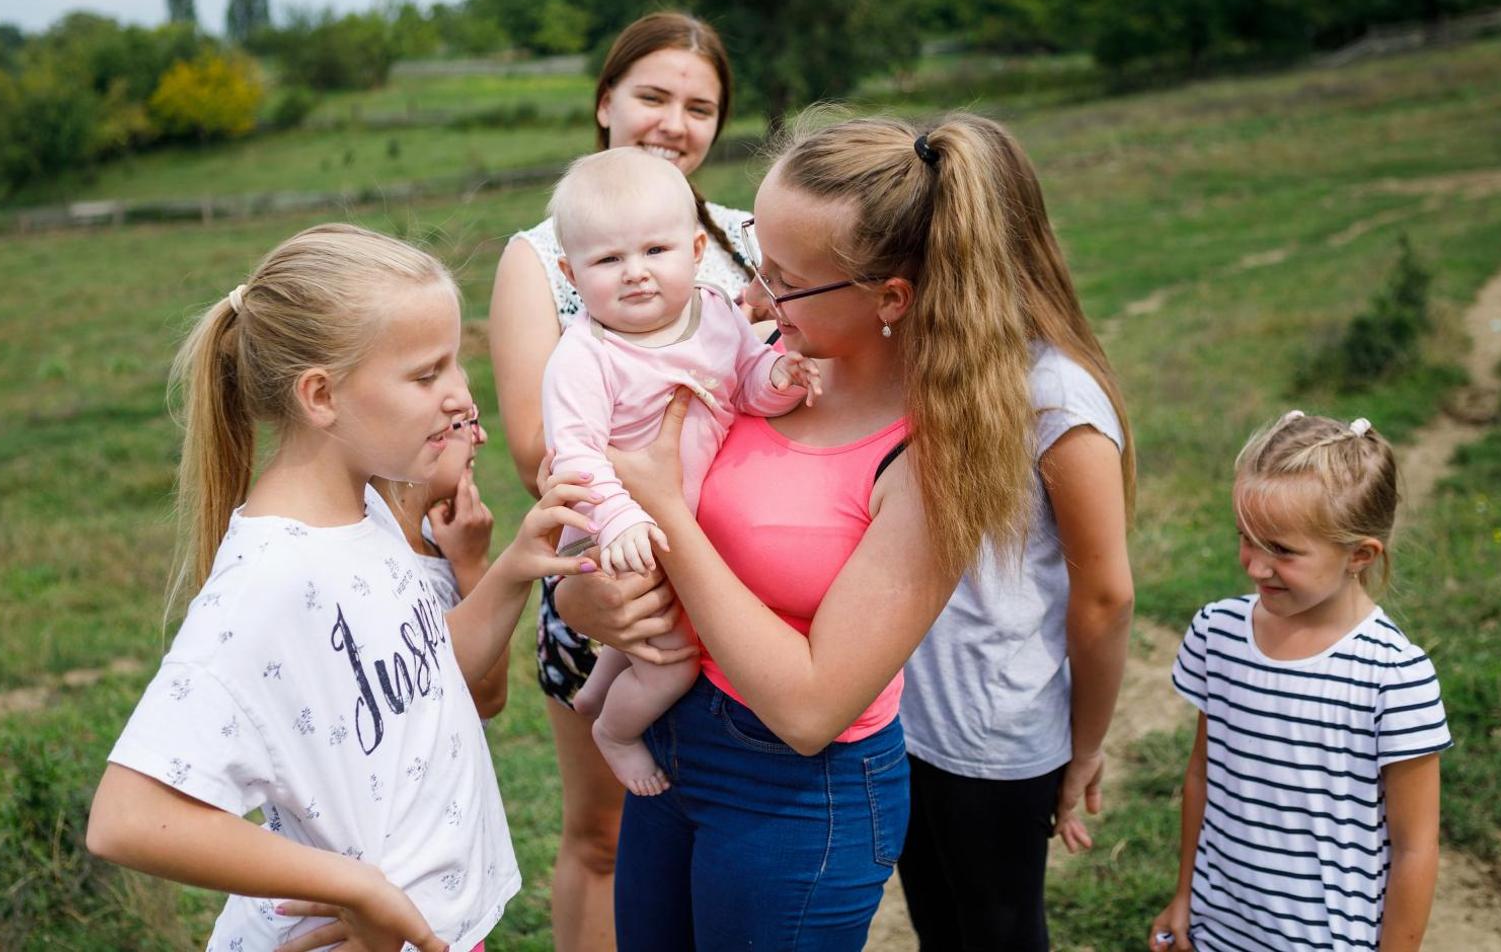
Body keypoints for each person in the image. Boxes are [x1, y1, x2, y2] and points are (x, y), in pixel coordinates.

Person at [587, 112, 1057, 950]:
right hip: (671, 745)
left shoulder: (933, 462)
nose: (752, 297)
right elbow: (610, 526)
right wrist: (596, 597)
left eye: (786, 280)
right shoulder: (759, 358)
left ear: (890, 297)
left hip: (796, 797)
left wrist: (664, 515)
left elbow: (810, 708)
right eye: (753, 260)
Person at [84, 224, 600, 952]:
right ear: (322, 396)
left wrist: (514, 563)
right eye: (427, 375)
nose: (459, 398)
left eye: (456, 364)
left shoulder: (368, 510)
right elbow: (127, 817)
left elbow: (428, 673)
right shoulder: (269, 578)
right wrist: (357, 887)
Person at [489, 10, 754, 951]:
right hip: (613, 574)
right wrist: (622, 544)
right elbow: (536, 450)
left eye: (700, 106)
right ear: (605, 103)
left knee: (725, 823)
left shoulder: (748, 244)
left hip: (749, 577)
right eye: (652, 95)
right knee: (605, 835)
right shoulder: (542, 256)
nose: (674, 123)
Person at [895, 152, 1137, 946]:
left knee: (989, 930)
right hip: (905, 715)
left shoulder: (1060, 396)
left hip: (994, 738)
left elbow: (1106, 598)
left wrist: (1085, 744)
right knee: (949, 925)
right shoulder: (915, 366)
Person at [541, 147, 817, 796]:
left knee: (650, 629)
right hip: (611, 530)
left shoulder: (718, 313)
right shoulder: (586, 355)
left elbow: (747, 380)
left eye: (655, 252)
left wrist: (779, 377)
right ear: (570, 274)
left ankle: (596, 693)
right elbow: (576, 455)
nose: (635, 274)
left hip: (673, 523)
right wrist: (622, 518)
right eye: (608, 260)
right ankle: (615, 730)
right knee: (670, 661)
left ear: (696, 250)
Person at [1149, 411, 1451, 952]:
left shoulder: (1394, 677)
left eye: (1282, 550)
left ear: (1359, 555)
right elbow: (1202, 775)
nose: (1255, 566)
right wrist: (1184, 895)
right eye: (1246, 538)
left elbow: (1415, 847)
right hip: (1218, 930)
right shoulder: (1216, 634)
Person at [372, 401, 511, 718]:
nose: (483, 435)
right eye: (468, 422)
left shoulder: (431, 532)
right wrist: (473, 565)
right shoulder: (396, 575)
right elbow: (487, 696)